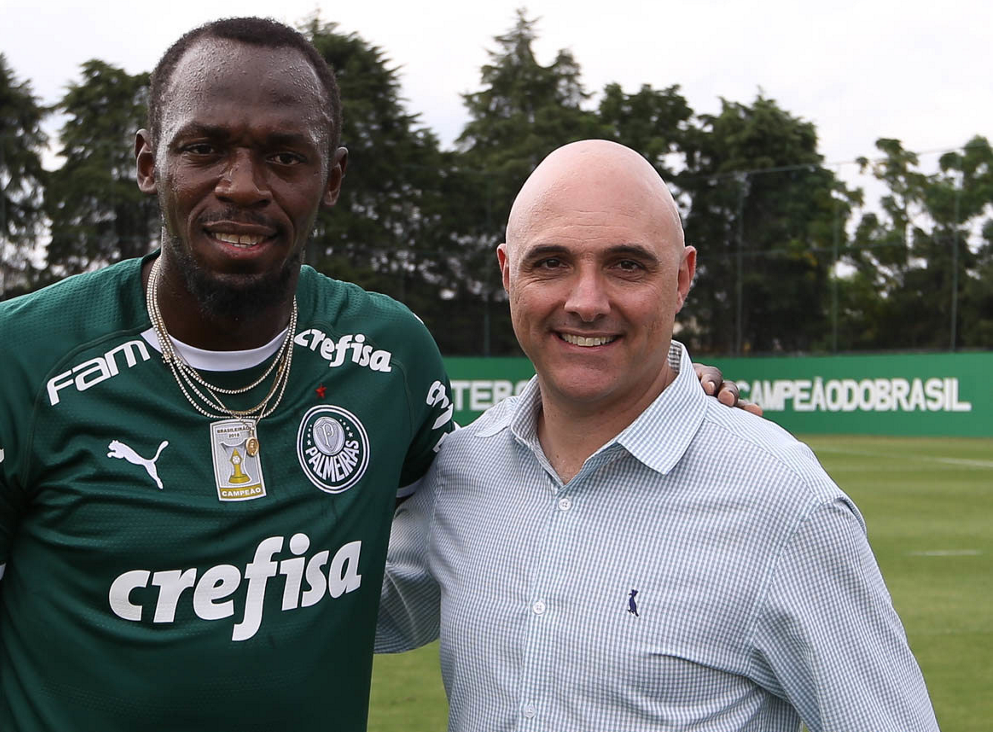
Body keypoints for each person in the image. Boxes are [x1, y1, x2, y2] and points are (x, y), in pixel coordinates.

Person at [0, 19, 744, 731]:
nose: (243, 185)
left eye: (286, 155)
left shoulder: (390, 356)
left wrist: (650, 395)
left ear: (332, 178)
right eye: (203, 148)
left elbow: (506, 500)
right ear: (146, 161)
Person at [376, 140, 939, 731]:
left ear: (681, 278)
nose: (587, 302)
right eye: (551, 262)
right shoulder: (464, 468)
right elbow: (339, 610)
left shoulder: (785, 503)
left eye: (627, 265)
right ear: (508, 274)